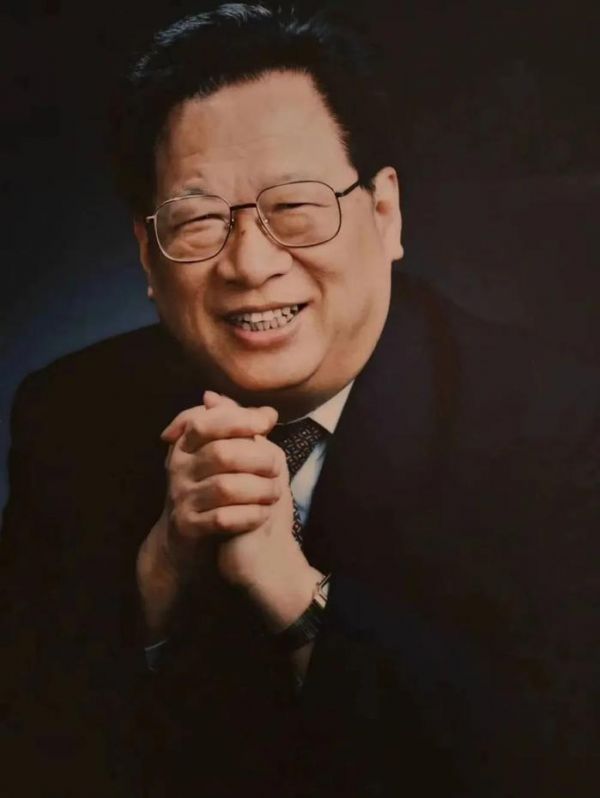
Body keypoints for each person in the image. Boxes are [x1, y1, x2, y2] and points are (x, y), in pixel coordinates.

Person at [1, 4, 599, 797]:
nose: (250, 264)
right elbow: (31, 746)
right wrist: (158, 578)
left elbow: (547, 762)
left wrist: (294, 596)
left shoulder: (560, 429)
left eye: (295, 207)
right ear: (148, 255)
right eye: (199, 220)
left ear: (384, 214)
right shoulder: (70, 413)